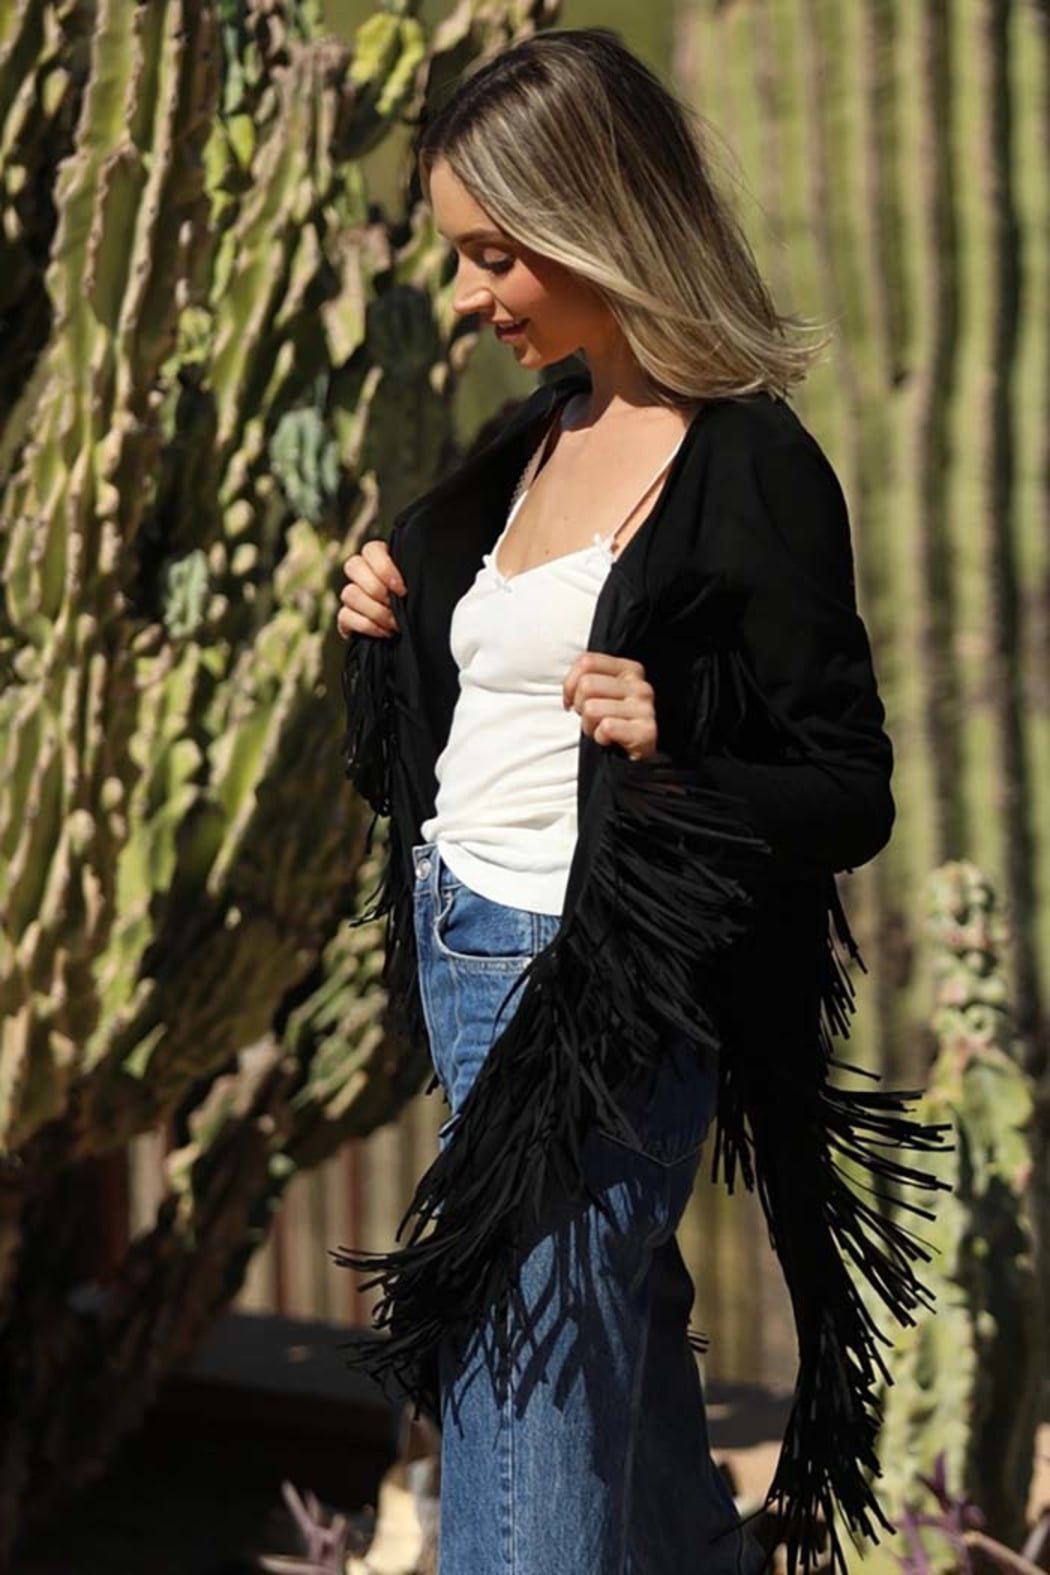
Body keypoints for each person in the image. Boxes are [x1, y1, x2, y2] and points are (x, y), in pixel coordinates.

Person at [333, 27, 949, 1575]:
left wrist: (676, 737)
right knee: (603, 1340)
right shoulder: (541, 432)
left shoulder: (746, 463)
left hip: (590, 987)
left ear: (593, 222)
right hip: (467, 948)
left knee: (523, 1363)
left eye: (493, 256)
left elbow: (844, 790)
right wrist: (394, 620)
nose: (465, 295)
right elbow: (486, 703)